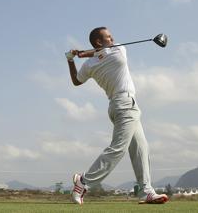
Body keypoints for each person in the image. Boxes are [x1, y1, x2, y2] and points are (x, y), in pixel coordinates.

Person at [65, 27, 168, 205]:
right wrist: (84, 54)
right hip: (125, 104)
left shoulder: (90, 65)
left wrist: (71, 59)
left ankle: (146, 192)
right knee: (118, 148)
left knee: (140, 149)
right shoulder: (119, 50)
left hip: (117, 106)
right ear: (99, 42)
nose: (113, 39)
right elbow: (101, 52)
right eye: (109, 37)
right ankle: (83, 182)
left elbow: (76, 80)